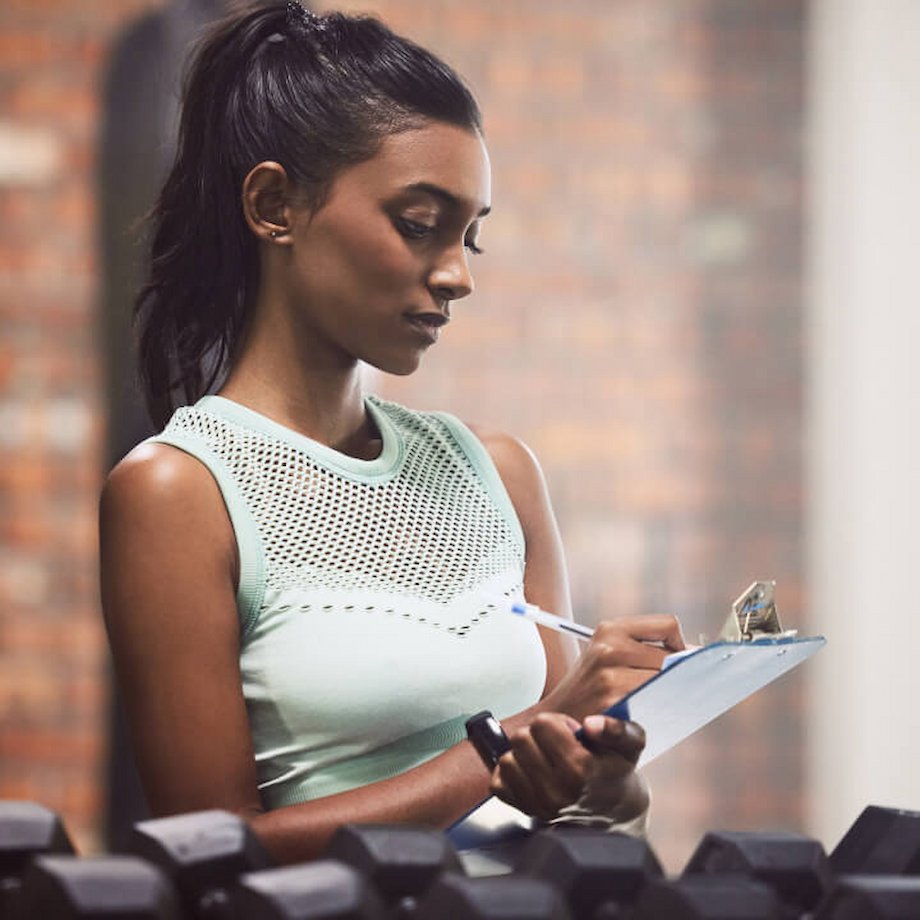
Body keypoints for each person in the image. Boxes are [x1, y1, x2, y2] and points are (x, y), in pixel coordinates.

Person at [99, 0, 685, 864]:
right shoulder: (179, 492)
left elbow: (566, 811)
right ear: (274, 206)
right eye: (419, 225)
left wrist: (600, 776)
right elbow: (207, 856)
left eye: (469, 237)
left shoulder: (500, 473)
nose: (456, 275)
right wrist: (504, 747)